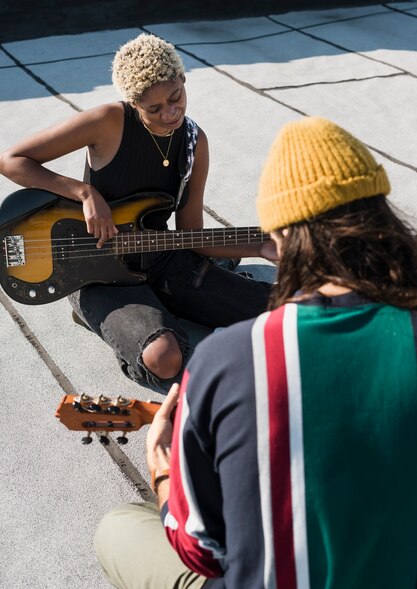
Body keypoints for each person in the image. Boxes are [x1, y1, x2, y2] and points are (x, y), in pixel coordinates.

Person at [94, 116, 417, 589]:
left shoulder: (230, 362)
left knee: (118, 528)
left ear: (278, 238)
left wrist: (161, 469)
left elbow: (201, 550)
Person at [0, 34, 273, 389]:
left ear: (183, 81)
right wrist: (83, 192)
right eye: (153, 109)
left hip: (160, 259)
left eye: (175, 99)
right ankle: (111, 319)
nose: (169, 113)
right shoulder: (108, 121)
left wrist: (260, 246)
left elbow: (193, 235)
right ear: (133, 103)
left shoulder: (193, 143)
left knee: (281, 310)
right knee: (163, 356)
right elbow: (11, 160)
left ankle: (169, 302)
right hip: (90, 273)